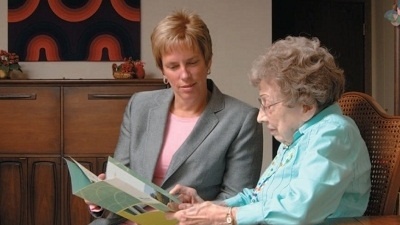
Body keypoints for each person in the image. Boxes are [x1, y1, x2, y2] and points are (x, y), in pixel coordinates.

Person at [167, 36, 371, 225]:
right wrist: (208, 209)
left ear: (306, 105)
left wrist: (224, 217)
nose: (260, 117)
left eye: (268, 104)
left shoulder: (334, 134)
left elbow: (299, 210)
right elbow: (259, 196)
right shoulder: (297, 136)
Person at [87, 9, 264, 224]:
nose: (184, 75)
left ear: (208, 62)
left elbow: (236, 200)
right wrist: (103, 198)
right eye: (173, 66)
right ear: (162, 70)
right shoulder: (139, 106)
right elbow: (121, 179)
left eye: (192, 62)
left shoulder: (242, 119)